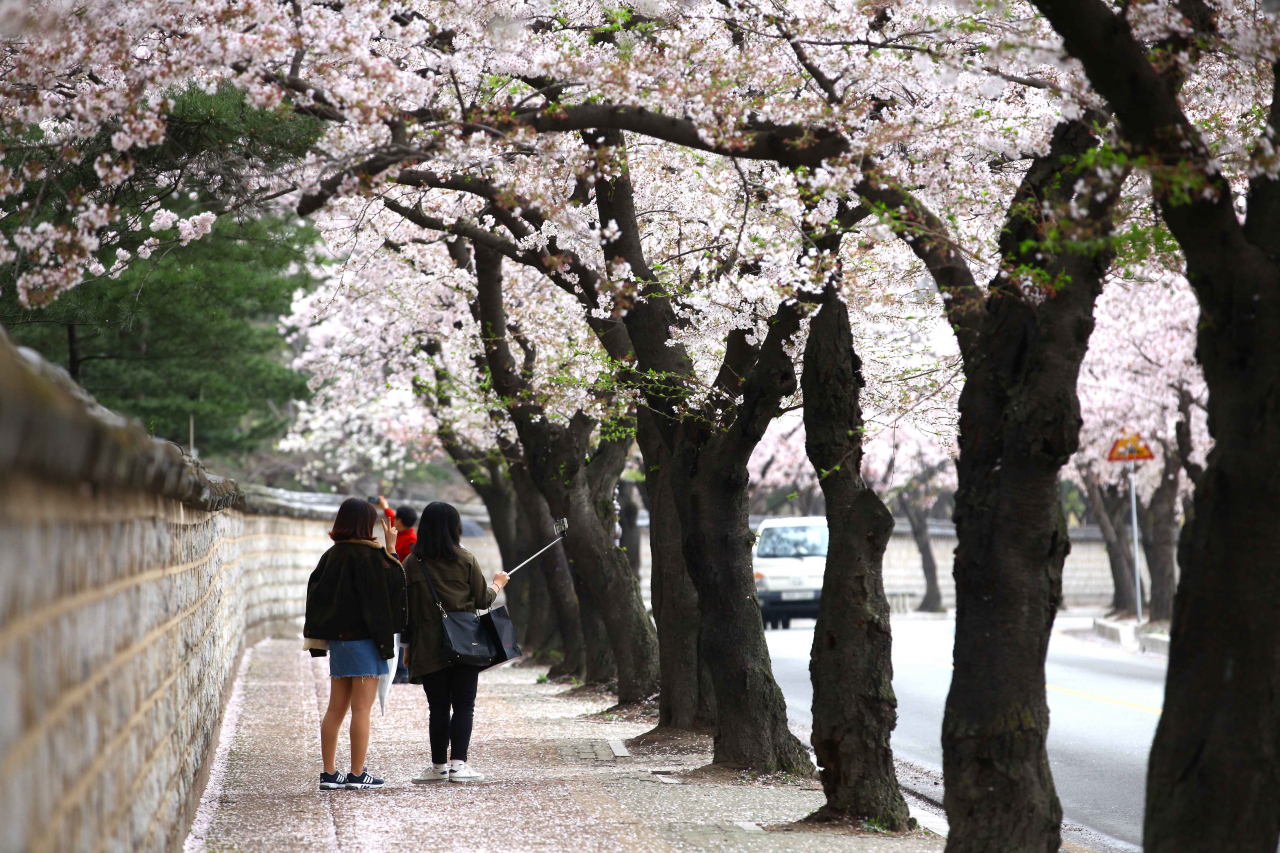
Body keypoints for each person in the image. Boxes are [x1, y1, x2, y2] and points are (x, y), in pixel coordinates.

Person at [304, 497, 407, 791]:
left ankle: (328, 773)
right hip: (365, 642)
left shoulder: (331, 556)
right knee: (362, 710)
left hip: (339, 643)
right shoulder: (372, 557)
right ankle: (357, 773)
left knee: (335, 708)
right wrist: (390, 550)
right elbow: (394, 591)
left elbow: (315, 593)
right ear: (366, 524)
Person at [403, 501, 509, 783]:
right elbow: (483, 600)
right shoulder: (466, 559)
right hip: (465, 642)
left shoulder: (412, 563)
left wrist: (407, 647)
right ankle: (459, 765)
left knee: (437, 708)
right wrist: (498, 583)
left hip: (427, 644)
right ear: (455, 527)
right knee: (464, 706)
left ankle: (438, 767)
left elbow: (406, 611)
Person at [377, 496, 419, 561]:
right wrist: (385, 507)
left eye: (395, 517)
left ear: (399, 521)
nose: (393, 518)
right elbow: (391, 516)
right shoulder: (401, 529)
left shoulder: (411, 540)